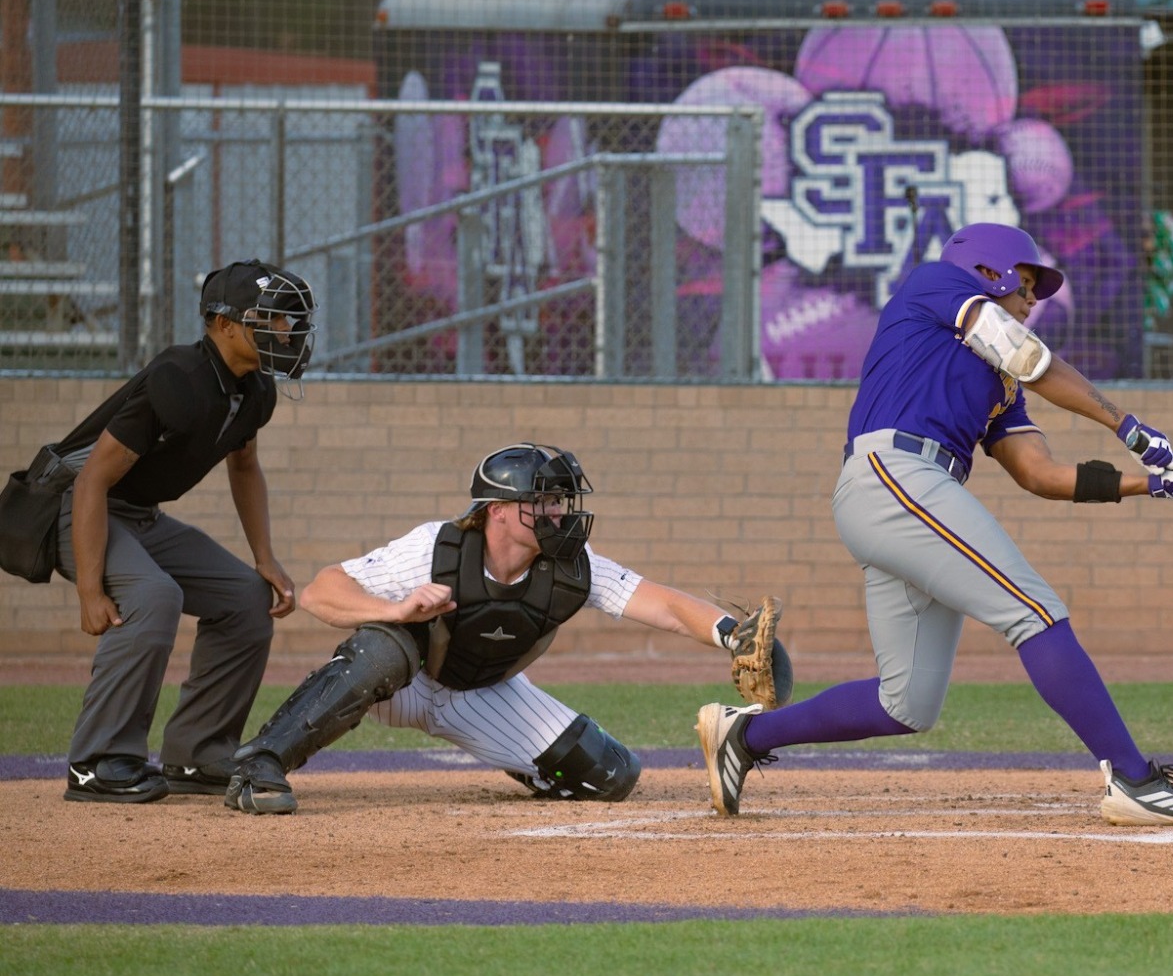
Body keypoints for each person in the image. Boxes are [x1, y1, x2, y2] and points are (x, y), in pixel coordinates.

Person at [695, 222, 1173, 827]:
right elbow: (1031, 358)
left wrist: (1154, 484)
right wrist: (1130, 428)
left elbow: (1039, 473)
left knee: (906, 704)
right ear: (986, 271)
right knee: (1035, 611)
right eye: (1025, 285)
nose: (1034, 301)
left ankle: (745, 737)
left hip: (908, 493)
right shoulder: (937, 284)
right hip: (894, 473)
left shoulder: (999, 382)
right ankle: (1131, 777)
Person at [222, 442, 789, 815]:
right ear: (496, 510)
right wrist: (398, 611)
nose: (559, 515)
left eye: (561, 502)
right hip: (404, 681)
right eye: (542, 503)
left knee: (613, 775)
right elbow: (322, 591)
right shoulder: (437, 548)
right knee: (382, 648)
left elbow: (659, 603)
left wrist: (728, 633)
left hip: (481, 693)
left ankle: (527, 763)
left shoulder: (572, 567)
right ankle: (260, 765)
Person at [39, 260, 315, 804]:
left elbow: (243, 467)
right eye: (272, 319)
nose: (286, 332)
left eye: (289, 321)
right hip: (78, 507)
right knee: (153, 594)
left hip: (140, 514)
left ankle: (197, 752)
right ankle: (97, 760)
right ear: (224, 324)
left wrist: (265, 556)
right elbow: (92, 479)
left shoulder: (255, 390)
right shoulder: (179, 377)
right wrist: (90, 591)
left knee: (245, 597)